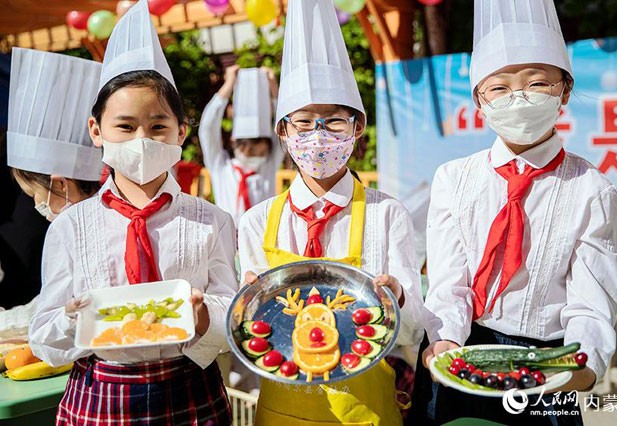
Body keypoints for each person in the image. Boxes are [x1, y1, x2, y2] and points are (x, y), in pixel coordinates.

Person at [28, 1, 237, 424]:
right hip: (99, 391)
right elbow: (43, 338)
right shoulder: (71, 225)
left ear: (181, 131)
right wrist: (73, 320)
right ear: (96, 130)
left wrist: (203, 319)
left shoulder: (211, 220)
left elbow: (232, 314)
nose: (142, 138)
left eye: (158, 126)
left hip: (189, 388)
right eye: (125, 126)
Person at [421, 0, 617, 424]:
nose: (518, 99)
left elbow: (590, 304)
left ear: (564, 89)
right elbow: (448, 283)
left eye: (536, 83)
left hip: (549, 365)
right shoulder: (453, 179)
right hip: (467, 356)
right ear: (479, 99)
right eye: (499, 88)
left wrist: (580, 368)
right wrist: (443, 342)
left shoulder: (592, 190)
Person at [238, 0, 424, 424]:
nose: (319, 136)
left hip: (366, 408)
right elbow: (254, 334)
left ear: (357, 129)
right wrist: (247, 305)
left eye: (334, 122)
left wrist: (397, 297)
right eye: (304, 123)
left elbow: (414, 325)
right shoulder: (255, 220)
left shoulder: (386, 214)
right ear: (283, 131)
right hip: (280, 406)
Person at [2, 47, 103, 335]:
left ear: (60, 184)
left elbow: (55, 312)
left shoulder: (75, 231)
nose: (37, 207)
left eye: (34, 196)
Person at [199, 65, 284, 225]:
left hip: (261, 239)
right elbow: (207, 129)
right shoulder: (221, 167)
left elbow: (285, 129)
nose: (253, 154)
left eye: (259, 150)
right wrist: (228, 85)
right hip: (228, 239)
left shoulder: (268, 166)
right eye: (248, 149)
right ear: (234, 142)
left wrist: (274, 89)